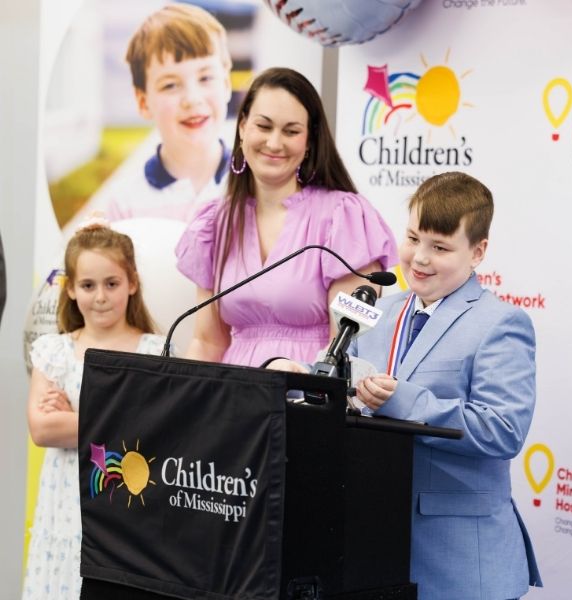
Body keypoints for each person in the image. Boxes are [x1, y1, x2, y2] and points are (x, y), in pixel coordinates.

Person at [271, 171, 542, 599]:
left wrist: (404, 401)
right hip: (374, 551)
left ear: (478, 251)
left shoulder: (501, 323)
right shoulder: (378, 308)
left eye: (440, 247)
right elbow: (341, 372)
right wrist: (294, 373)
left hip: (459, 566)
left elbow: (503, 430)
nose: (419, 258)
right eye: (413, 238)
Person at [175, 67, 397, 367]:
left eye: (291, 131)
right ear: (242, 127)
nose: (275, 143)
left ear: (309, 142)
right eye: (264, 127)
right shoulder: (214, 224)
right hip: (233, 400)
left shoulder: (344, 217)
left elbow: (348, 348)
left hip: (307, 400)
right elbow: (207, 342)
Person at [22, 222, 168, 599]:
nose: (100, 296)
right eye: (88, 285)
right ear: (70, 289)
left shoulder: (154, 352)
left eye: (112, 283)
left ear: (132, 283)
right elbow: (41, 430)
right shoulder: (53, 351)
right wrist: (122, 421)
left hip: (126, 513)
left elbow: (157, 431)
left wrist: (74, 415)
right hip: (61, 509)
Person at [103, 3, 233, 222]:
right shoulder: (125, 205)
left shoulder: (256, 186)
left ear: (227, 85)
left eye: (205, 78)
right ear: (144, 102)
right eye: (170, 85)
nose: (192, 99)